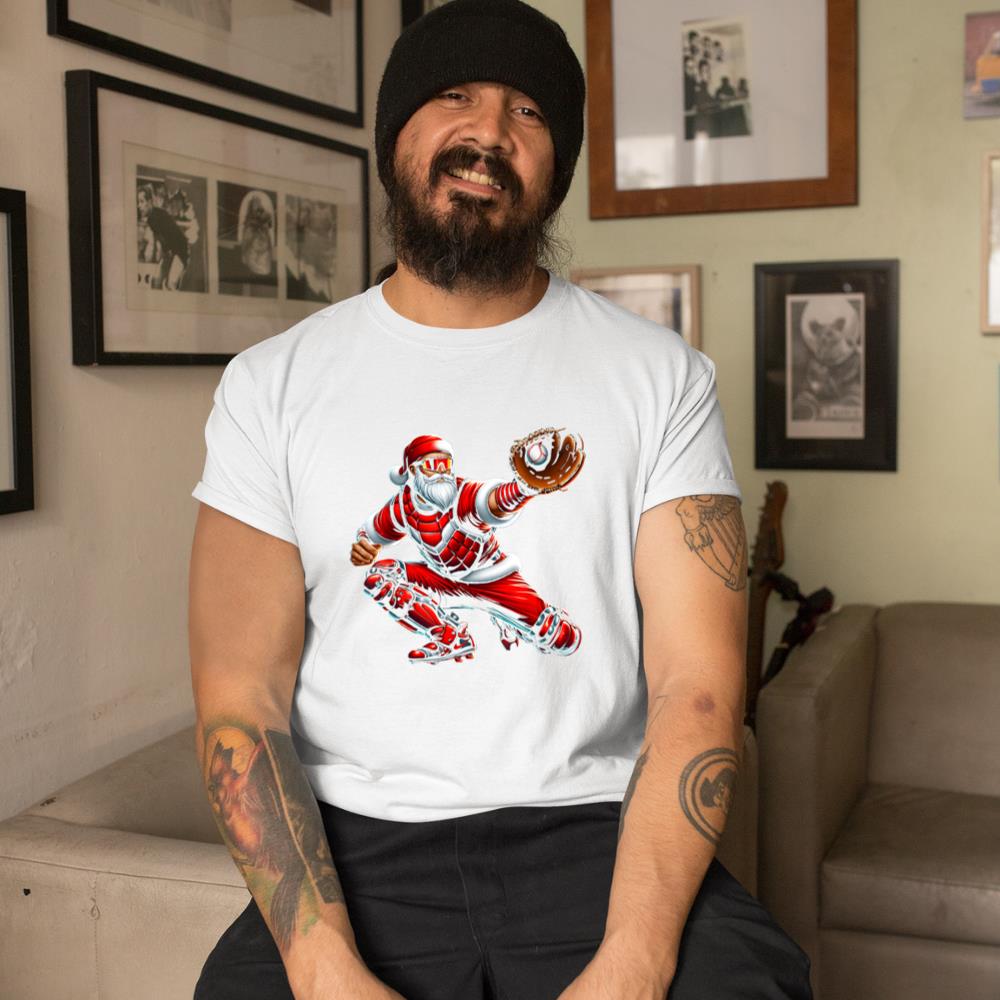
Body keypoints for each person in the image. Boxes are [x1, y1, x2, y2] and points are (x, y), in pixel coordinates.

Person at [188, 2, 813, 999]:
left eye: (527, 111)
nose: (488, 132)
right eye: (454, 97)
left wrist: (635, 960)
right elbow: (240, 697)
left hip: (594, 830)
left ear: (555, 167)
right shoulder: (271, 386)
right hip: (357, 842)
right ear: (395, 137)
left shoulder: (661, 377)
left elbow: (697, 686)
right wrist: (320, 966)